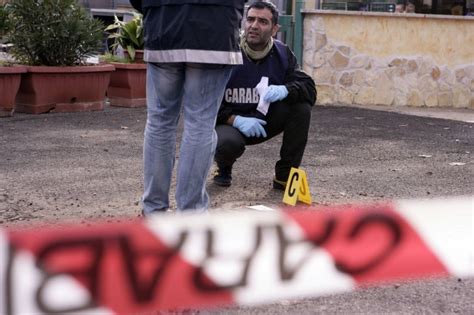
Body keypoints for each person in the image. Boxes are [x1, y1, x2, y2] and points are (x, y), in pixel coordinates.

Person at [129, 0, 245, 215]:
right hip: (215, 27)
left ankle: (154, 210)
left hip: (163, 25)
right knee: (200, 123)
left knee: (159, 121)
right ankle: (191, 213)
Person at [213, 1, 316, 190]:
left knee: (301, 107)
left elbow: (308, 87)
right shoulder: (227, 51)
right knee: (227, 144)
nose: (254, 25)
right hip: (230, 125)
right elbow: (203, 102)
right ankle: (223, 167)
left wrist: (286, 89)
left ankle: (285, 176)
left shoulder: (283, 53)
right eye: (250, 19)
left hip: (264, 122)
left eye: (262, 21)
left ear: (274, 28)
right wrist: (234, 119)